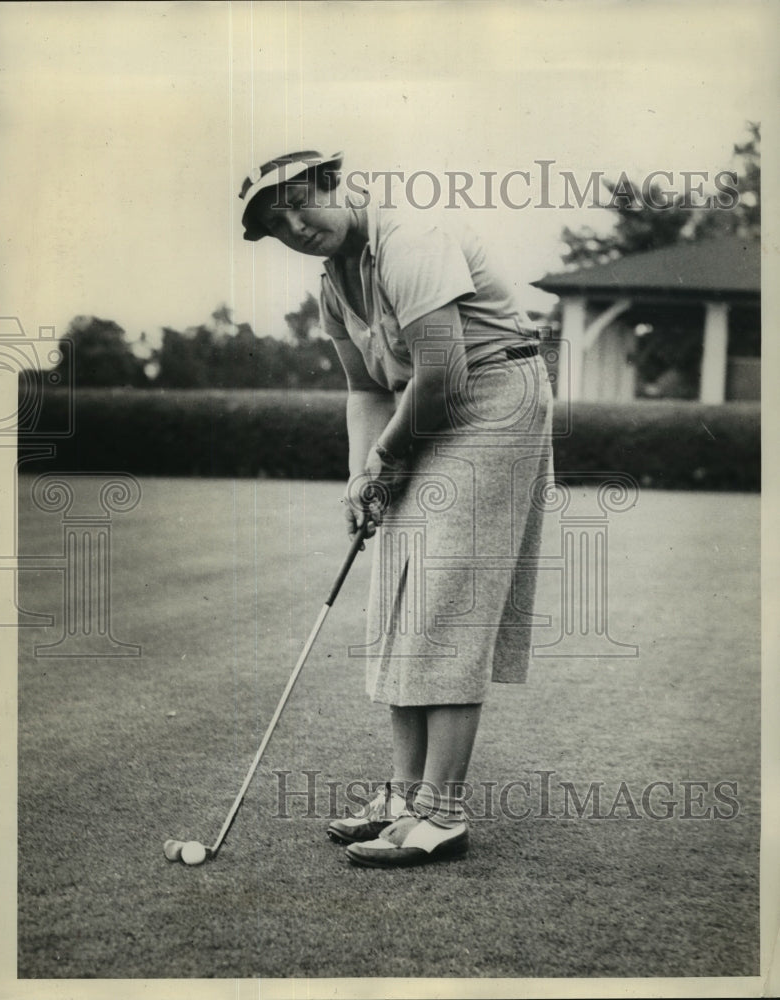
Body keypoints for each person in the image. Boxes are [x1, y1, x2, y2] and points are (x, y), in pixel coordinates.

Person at [239, 149, 554, 868]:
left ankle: (440, 814)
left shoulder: (411, 240)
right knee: (401, 596)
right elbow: (366, 390)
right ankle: (403, 795)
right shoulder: (332, 284)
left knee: (445, 594)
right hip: (421, 410)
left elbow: (442, 372)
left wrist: (384, 460)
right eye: (274, 223)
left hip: (492, 400)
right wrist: (360, 478)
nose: (294, 224)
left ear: (332, 183)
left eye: (297, 203)